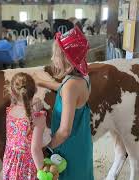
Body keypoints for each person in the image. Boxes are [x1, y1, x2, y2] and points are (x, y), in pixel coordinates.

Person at [34, 26, 94, 179]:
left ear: (67, 59)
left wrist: (47, 148)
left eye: (55, 55)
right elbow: (66, 91)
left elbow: (64, 131)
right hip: (82, 143)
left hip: (68, 150)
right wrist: (43, 82)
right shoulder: (83, 78)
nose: (52, 59)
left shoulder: (70, 87)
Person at [3, 72, 48, 180]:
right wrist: (43, 173)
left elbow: (23, 107)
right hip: (27, 166)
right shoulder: (38, 118)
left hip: (10, 163)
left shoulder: (10, 110)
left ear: (12, 93)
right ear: (35, 90)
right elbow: (35, 150)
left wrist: (33, 107)